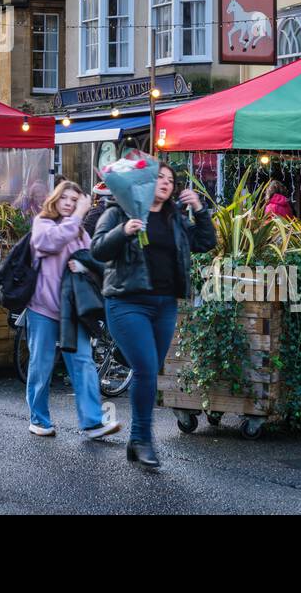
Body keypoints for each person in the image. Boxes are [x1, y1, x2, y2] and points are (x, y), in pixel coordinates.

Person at [91, 163, 215, 468]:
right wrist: (124, 231)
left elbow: (204, 242)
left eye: (170, 180)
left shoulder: (174, 218)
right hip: (126, 303)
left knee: (151, 370)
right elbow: (97, 249)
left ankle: (137, 442)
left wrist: (199, 209)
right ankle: (143, 439)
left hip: (165, 305)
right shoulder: (120, 211)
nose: (165, 182)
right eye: (159, 177)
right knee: (145, 368)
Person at [25, 181, 119, 441]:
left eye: (74, 200)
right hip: (42, 308)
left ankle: (92, 422)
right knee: (41, 365)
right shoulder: (43, 223)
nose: (68, 203)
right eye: (64, 198)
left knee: (83, 362)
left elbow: (94, 258)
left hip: (72, 310)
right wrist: (80, 214)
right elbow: (52, 242)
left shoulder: (79, 232)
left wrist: (86, 267)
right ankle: (38, 419)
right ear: (54, 199)